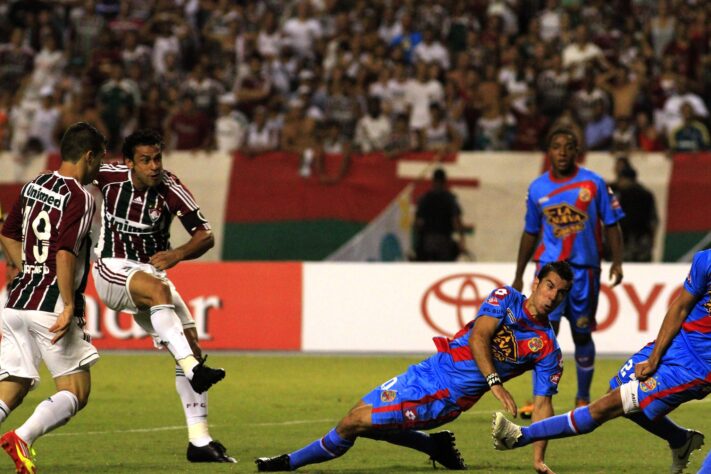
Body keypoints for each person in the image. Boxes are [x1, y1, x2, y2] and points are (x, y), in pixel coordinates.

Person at [256, 262, 574, 473]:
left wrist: (538, 457)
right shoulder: (505, 297)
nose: (552, 296)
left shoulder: (547, 347)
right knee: (360, 416)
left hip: (444, 398)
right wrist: (494, 381)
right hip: (424, 372)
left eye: (560, 293)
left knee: (353, 423)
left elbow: (544, 404)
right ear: (536, 282)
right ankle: (432, 444)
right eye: (549, 286)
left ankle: (287, 463)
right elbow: (479, 336)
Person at [493, 249, 711, 474]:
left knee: (608, 406)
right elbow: (681, 306)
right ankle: (680, 439)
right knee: (614, 391)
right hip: (675, 342)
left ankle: (521, 435)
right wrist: (655, 356)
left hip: (695, 368)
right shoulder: (706, 260)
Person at [91, 129, 233, 463]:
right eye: (145, 160)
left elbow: (205, 236)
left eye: (157, 158)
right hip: (111, 268)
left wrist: (177, 253)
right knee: (160, 292)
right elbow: (73, 173)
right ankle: (193, 370)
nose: (154, 166)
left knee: (192, 347)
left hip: (151, 274)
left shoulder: (170, 187)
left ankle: (199, 442)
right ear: (129, 163)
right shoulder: (108, 176)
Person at [0, 122, 106, 474]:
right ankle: (23, 437)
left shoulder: (35, 184)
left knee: (14, 382)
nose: (100, 168)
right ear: (88, 156)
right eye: (100, 160)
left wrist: (24, 266)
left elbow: (8, 232)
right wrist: (70, 304)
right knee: (76, 390)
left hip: (15, 302)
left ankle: (20, 435)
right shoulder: (81, 197)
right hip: (49, 305)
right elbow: (64, 252)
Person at [513, 129, 624, 409]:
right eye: (556, 146)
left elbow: (611, 223)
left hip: (584, 271)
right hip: (549, 270)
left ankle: (583, 397)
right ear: (548, 151)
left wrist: (618, 261)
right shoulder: (537, 188)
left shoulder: (594, 183)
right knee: (543, 333)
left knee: (582, 332)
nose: (562, 152)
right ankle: (541, 398)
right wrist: (518, 274)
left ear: (577, 151)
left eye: (569, 147)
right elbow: (530, 232)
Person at [414, 168, 469, 261]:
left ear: (433, 181)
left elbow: (418, 223)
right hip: (444, 243)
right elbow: (456, 221)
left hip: (427, 243)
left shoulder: (425, 198)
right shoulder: (450, 199)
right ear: (444, 182)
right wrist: (462, 241)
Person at [609, 159, 658, 262]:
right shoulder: (646, 193)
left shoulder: (626, 194)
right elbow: (654, 220)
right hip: (640, 239)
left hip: (633, 240)